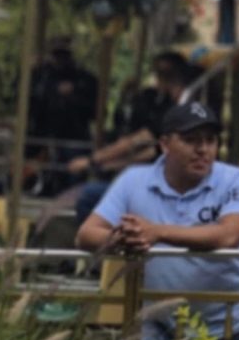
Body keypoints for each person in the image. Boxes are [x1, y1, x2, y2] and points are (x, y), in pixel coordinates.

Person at [76, 98, 239, 340]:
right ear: (164, 144)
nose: (203, 149)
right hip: (157, 321)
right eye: (191, 140)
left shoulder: (235, 179)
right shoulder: (134, 180)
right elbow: (86, 234)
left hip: (220, 327)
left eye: (210, 140)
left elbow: (229, 234)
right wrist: (125, 237)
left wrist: (157, 232)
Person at [67, 47, 194, 218]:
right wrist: (108, 165)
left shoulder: (178, 109)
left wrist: (92, 161)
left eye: (159, 75)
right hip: (150, 176)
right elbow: (149, 152)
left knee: (87, 196)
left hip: (163, 184)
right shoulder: (162, 103)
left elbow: (142, 140)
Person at [26, 38, 100, 193]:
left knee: (72, 181)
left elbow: (94, 111)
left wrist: (73, 95)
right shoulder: (40, 76)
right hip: (43, 138)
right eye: (57, 55)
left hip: (74, 138)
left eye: (64, 55)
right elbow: (32, 104)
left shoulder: (84, 79)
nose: (60, 60)